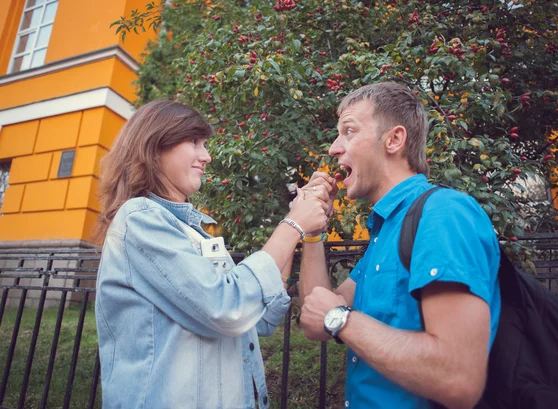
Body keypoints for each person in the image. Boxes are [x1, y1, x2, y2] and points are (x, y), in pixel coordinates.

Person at [94, 100, 329, 409]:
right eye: (194, 142)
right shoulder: (140, 219)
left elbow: (255, 316)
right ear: (154, 145)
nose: (207, 156)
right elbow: (227, 306)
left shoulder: (190, 231)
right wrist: (292, 223)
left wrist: (299, 223)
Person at [298, 82, 501, 409]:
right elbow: (316, 317)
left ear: (394, 140)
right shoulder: (388, 229)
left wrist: (342, 320)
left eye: (349, 131)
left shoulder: (442, 215)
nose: (334, 148)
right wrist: (312, 231)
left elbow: (459, 379)